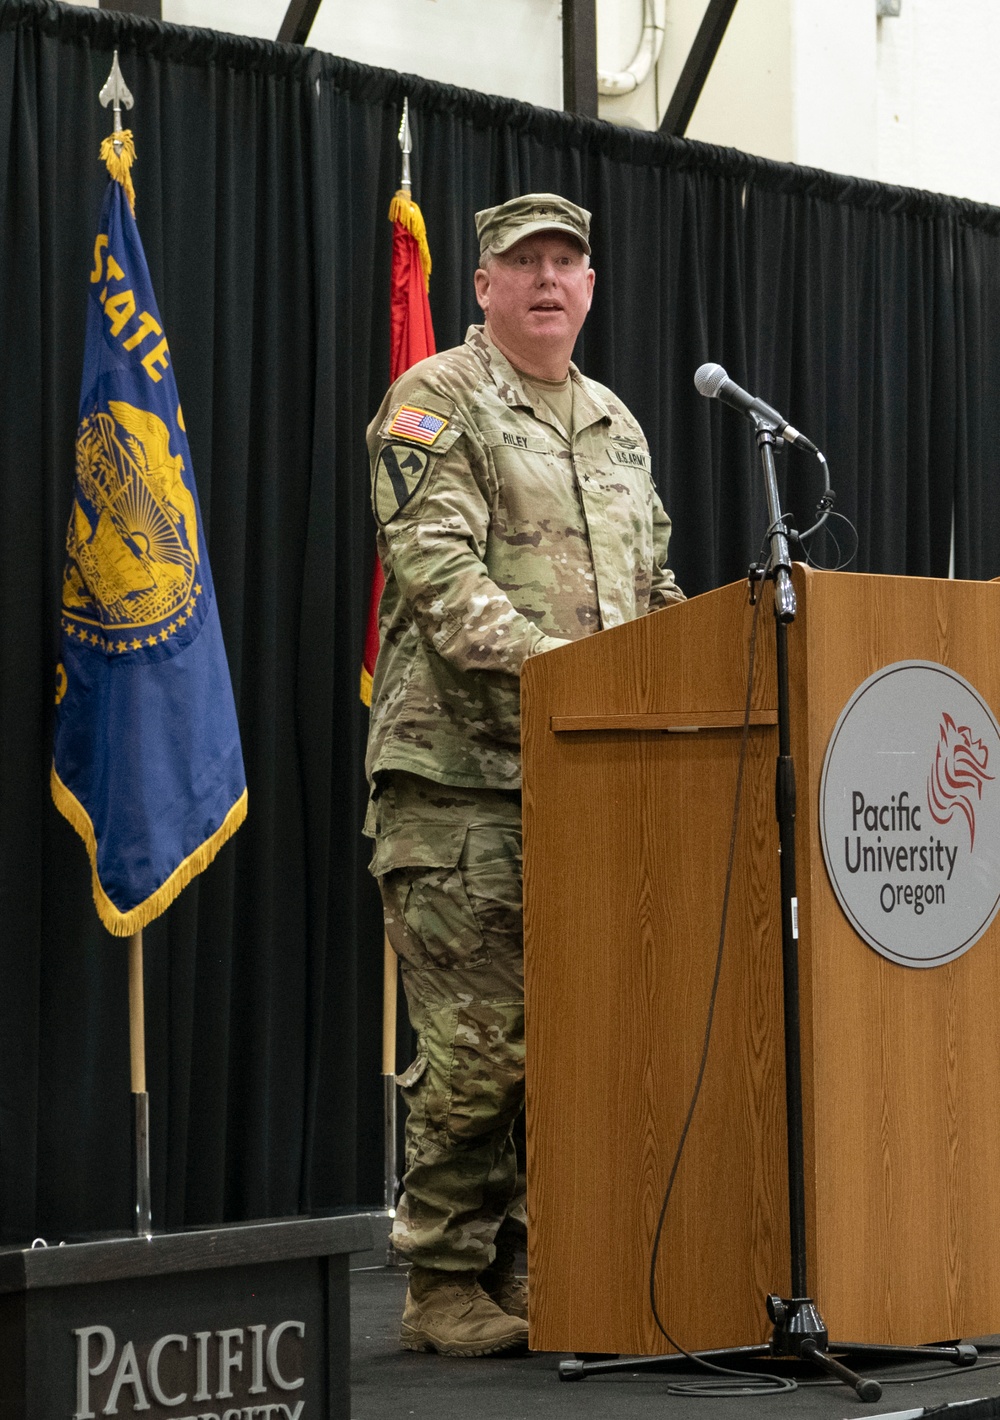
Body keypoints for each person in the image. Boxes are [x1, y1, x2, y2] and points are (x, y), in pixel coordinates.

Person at [364, 193, 684, 1358]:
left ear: (590, 287)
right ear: (484, 288)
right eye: (523, 263)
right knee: (484, 1045)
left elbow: (652, 588)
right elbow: (437, 573)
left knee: (586, 1037)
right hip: (460, 784)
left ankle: (546, 1263)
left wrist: (699, 669)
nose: (548, 280)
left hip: (591, 786)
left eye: (567, 262)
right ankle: (441, 1277)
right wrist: (575, 678)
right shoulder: (436, 399)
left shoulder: (615, 423)